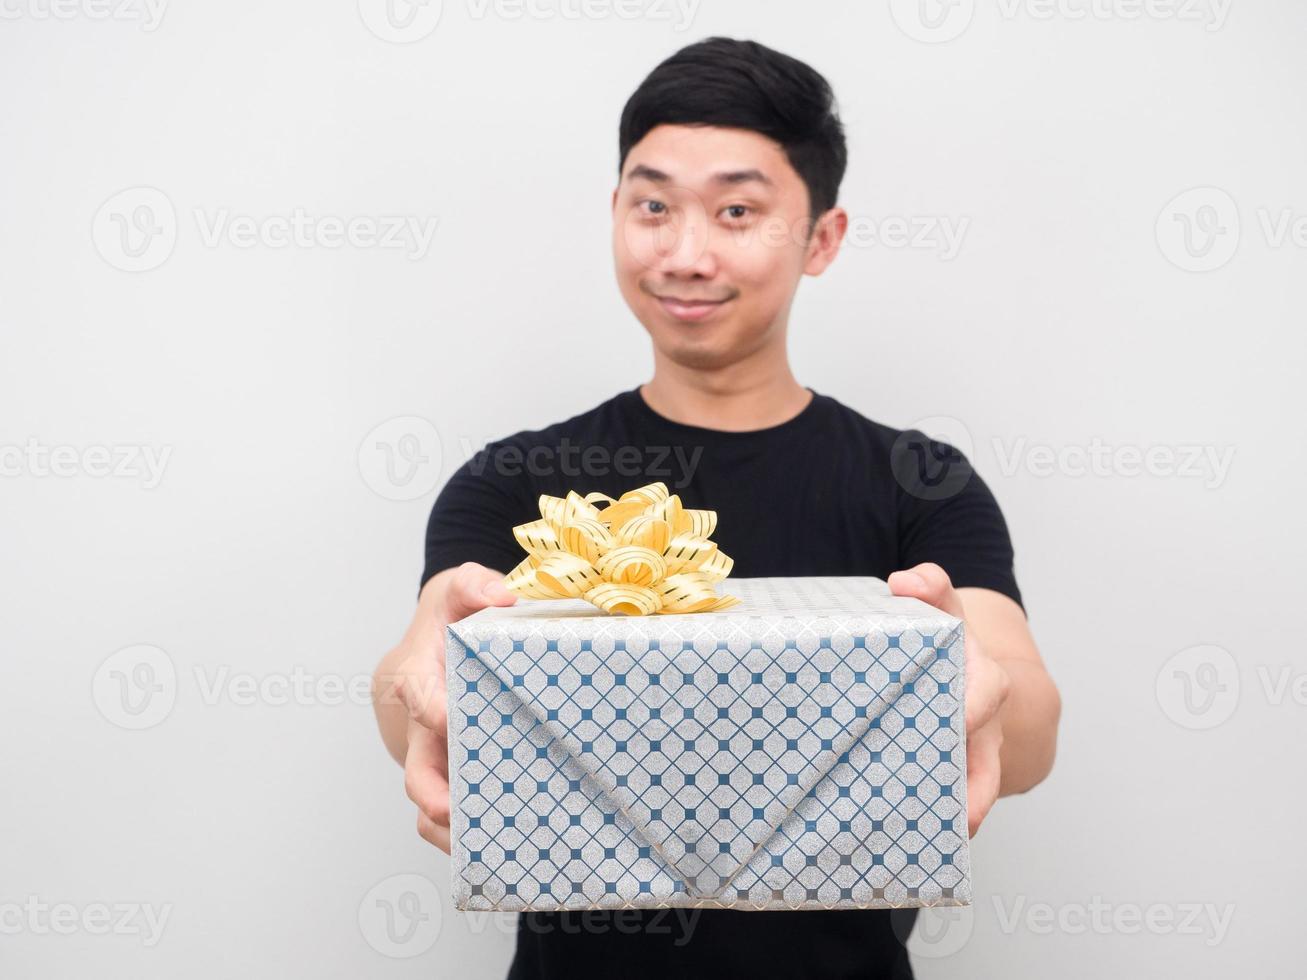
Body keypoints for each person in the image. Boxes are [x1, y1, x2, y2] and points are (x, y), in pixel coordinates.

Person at [372, 36, 1061, 980]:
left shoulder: (917, 479)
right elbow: (415, 684)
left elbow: (1026, 733)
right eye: (652, 206)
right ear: (614, 214)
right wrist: (412, 681)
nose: (685, 253)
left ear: (820, 238)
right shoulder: (516, 482)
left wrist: (979, 690)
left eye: (737, 211)